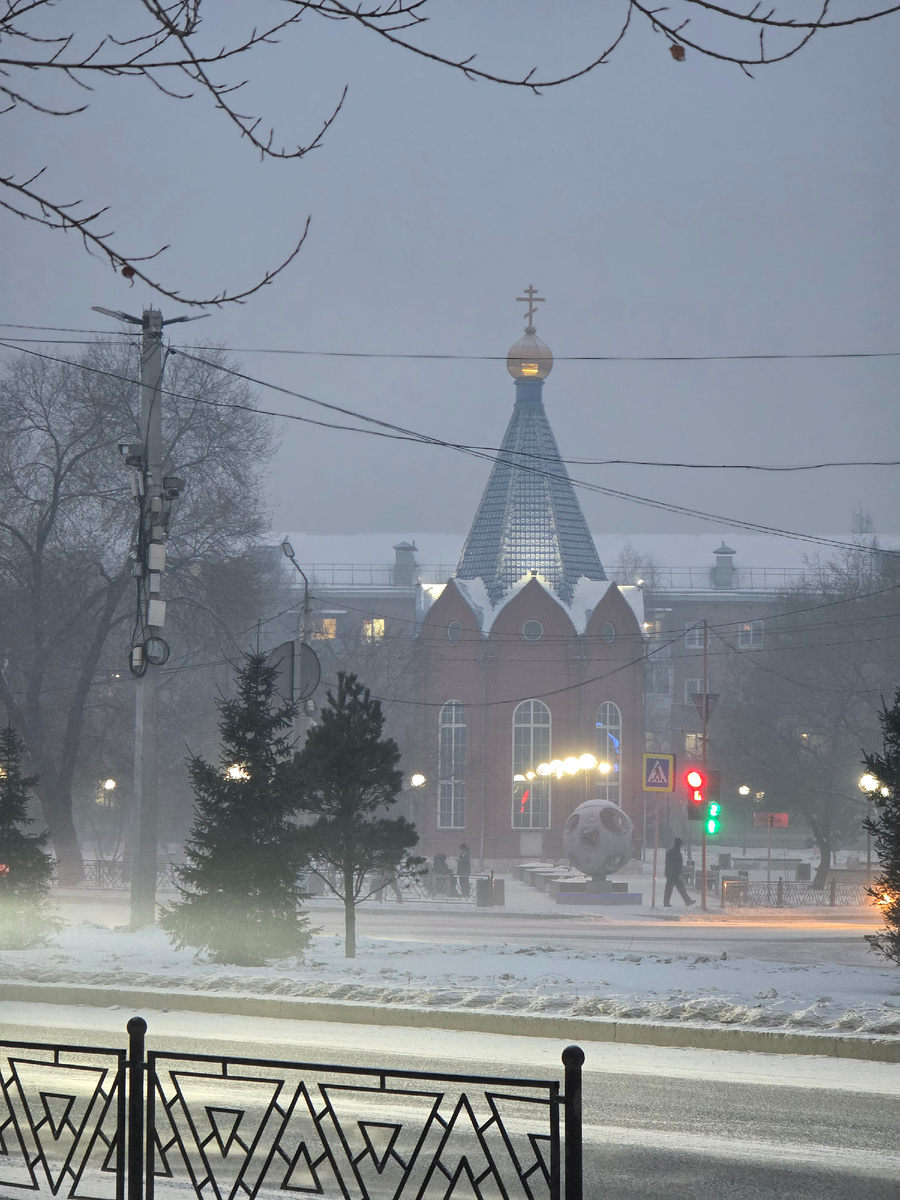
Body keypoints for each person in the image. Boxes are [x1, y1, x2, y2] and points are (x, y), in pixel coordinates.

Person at [663, 837, 696, 907]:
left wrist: (667, 872)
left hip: (671, 873)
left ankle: (666, 902)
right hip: (675, 874)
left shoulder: (670, 852)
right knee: (680, 889)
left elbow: (668, 863)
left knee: (671, 889)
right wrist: (679, 873)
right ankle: (687, 901)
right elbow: (677, 865)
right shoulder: (677, 853)